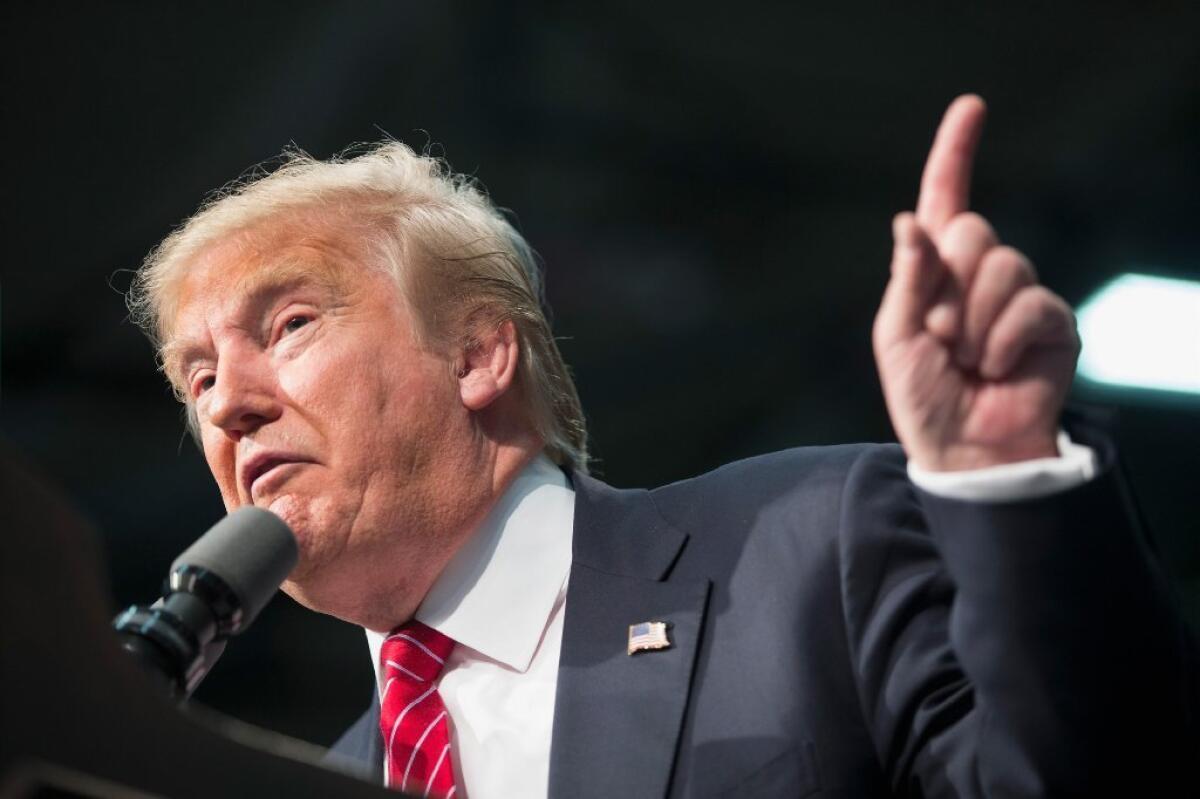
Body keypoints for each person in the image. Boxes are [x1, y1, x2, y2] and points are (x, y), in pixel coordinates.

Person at [128, 96, 1195, 797]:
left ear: (478, 355)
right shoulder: (331, 776)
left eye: (291, 326)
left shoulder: (810, 549)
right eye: (200, 376)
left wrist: (1008, 470)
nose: (229, 407)